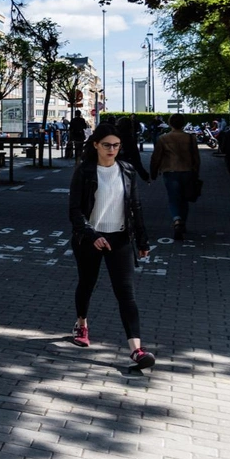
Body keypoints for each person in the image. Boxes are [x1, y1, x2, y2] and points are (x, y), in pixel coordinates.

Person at [69, 124, 155, 369]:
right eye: (107, 145)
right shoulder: (84, 171)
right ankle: (81, 324)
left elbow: (135, 207)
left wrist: (142, 239)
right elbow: (74, 210)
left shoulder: (127, 170)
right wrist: (90, 233)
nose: (112, 149)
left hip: (119, 239)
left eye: (116, 145)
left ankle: (137, 350)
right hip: (90, 239)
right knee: (87, 283)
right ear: (95, 144)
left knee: (126, 294)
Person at [149, 113, 200, 239]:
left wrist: (153, 172)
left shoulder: (163, 138)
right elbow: (196, 157)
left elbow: (156, 157)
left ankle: (176, 220)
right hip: (187, 171)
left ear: (170, 123)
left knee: (173, 198)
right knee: (185, 199)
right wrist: (196, 172)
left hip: (170, 171)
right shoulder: (190, 138)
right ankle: (183, 222)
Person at [115, 117, 150, 181]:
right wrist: (144, 175)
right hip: (127, 163)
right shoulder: (129, 138)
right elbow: (136, 158)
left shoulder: (114, 135)